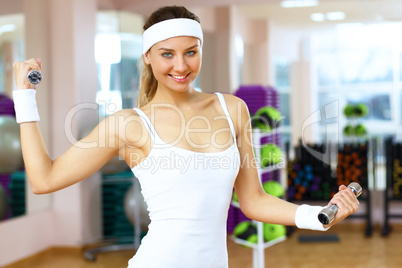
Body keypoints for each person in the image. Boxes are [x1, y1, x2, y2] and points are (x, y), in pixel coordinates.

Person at [12, 5, 359, 268]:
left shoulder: (232, 109)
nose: (181, 66)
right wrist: (25, 98)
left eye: (191, 51)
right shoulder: (129, 124)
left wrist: (317, 217)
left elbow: (253, 200)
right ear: (147, 57)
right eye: (167, 54)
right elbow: (44, 180)